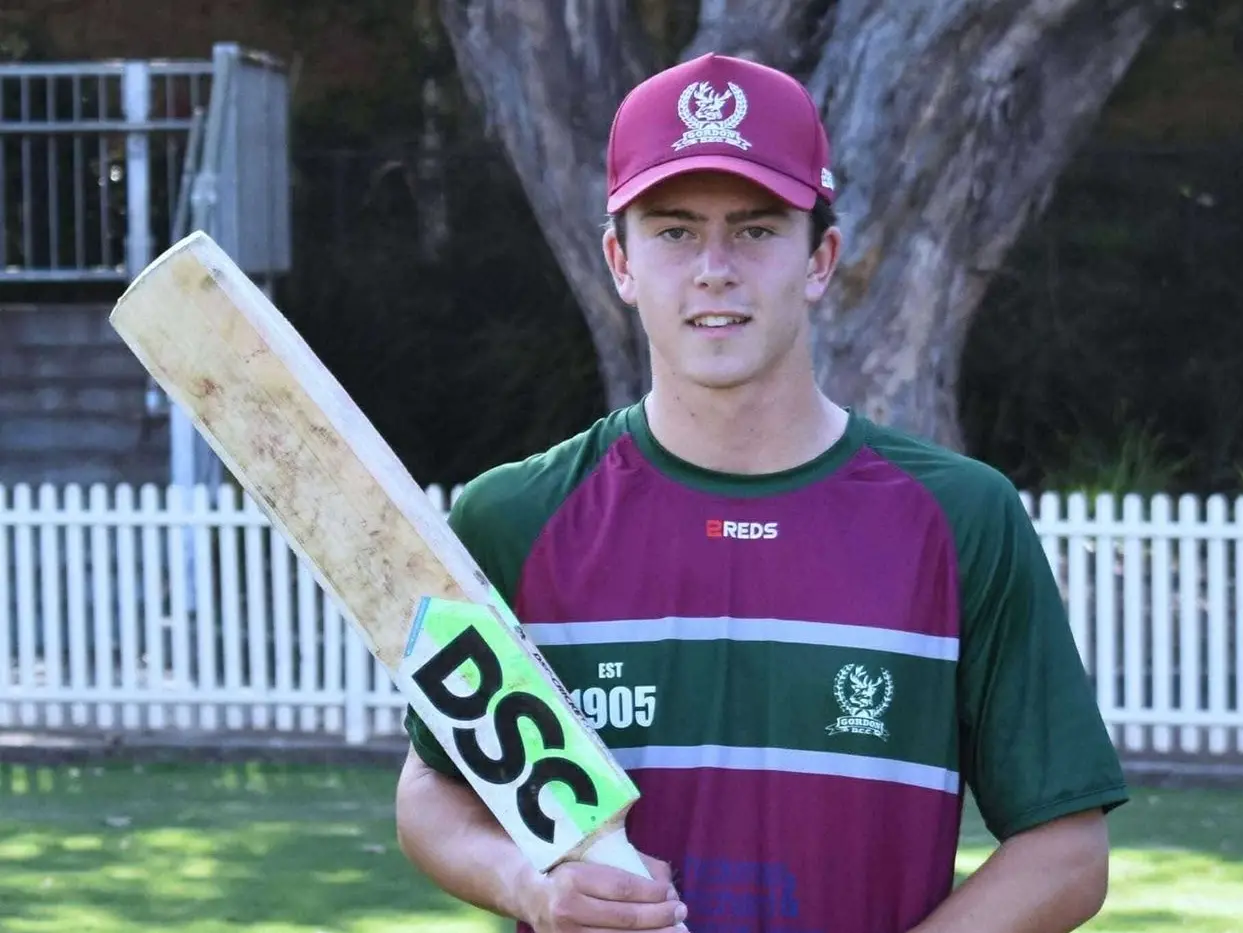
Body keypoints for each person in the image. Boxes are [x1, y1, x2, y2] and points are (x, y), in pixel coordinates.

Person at [395, 51, 1129, 933]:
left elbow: (1067, 846)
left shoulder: (961, 518)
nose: (714, 267)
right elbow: (435, 784)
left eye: (755, 229)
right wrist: (529, 884)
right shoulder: (512, 519)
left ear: (819, 258)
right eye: (672, 231)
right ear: (619, 262)